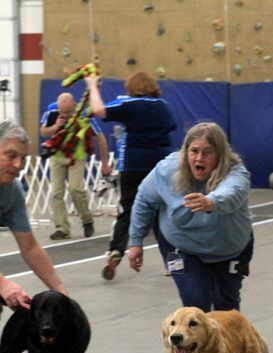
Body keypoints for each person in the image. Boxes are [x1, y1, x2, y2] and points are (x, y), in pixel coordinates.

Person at [127, 122, 254, 312]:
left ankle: (229, 342)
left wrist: (212, 202)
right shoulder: (167, 170)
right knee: (195, 304)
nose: (199, 158)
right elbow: (145, 199)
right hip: (179, 247)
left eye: (207, 152)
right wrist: (136, 241)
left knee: (227, 308)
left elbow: (232, 191)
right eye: (194, 151)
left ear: (220, 155)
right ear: (185, 152)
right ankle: (196, 342)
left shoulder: (236, 171)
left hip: (231, 249)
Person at [86, 71, 176, 280]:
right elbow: (171, 126)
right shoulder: (163, 106)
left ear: (131, 88)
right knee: (161, 211)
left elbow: (98, 110)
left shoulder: (129, 104)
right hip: (160, 165)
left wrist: (92, 85)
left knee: (127, 210)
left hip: (133, 164)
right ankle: (172, 262)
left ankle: (116, 250)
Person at [0, 120, 66, 309]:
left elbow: (29, 247)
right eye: (11, 155)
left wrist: (60, 292)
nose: (18, 165)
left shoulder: (12, 190)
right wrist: (3, 284)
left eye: (22, 158)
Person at [40, 92, 112, 240]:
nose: (64, 114)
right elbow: (43, 131)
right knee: (56, 192)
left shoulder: (84, 114)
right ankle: (62, 228)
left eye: (67, 112)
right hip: (57, 154)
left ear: (74, 106)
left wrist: (105, 163)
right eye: (61, 111)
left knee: (75, 188)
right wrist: (55, 126)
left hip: (77, 155)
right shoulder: (52, 110)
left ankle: (87, 219)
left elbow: (101, 138)